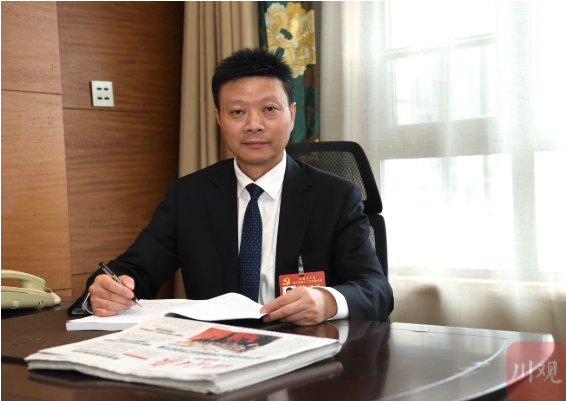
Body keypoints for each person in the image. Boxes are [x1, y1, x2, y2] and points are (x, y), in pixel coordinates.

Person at [75, 48, 393, 326]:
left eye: (269, 109)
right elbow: (133, 270)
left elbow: (376, 290)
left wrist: (327, 301)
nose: (254, 125)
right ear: (219, 118)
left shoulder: (335, 197)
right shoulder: (189, 196)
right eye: (237, 112)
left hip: (302, 350)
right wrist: (105, 291)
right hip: (213, 351)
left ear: (292, 114)